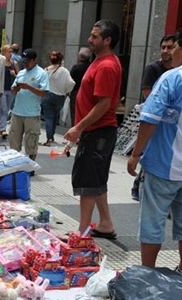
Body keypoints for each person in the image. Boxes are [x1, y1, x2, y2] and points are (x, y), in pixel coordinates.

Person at [126, 30, 182, 270]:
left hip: (164, 165)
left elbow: (149, 118)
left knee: (152, 223)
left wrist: (136, 154)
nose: (171, 54)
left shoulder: (172, 78)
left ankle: (147, 276)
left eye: (175, 48)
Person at [63, 19, 122, 238]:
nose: (90, 39)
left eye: (95, 36)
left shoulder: (107, 65)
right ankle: (105, 224)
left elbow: (104, 103)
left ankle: (83, 230)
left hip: (98, 132)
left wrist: (78, 127)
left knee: (88, 181)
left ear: (107, 40)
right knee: (97, 180)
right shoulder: (99, 61)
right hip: (97, 131)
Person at [130, 34, 176, 201]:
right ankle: (138, 186)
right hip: (154, 121)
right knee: (150, 155)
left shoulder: (176, 72)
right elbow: (149, 97)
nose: (165, 50)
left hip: (170, 127)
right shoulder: (154, 69)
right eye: (163, 47)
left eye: (169, 47)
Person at [9, 49, 49, 165]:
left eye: (27, 61)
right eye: (24, 61)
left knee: (31, 141)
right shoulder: (21, 72)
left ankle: (31, 166)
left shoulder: (41, 73)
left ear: (34, 60)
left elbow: (45, 93)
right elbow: (12, 90)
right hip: (17, 112)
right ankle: (14, 163)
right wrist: (16, 88)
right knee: (14, 140)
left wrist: (29, 87)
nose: (25, 64)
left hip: (32, 113)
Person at [41, 51, 75, 146]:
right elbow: (71, 83)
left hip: (47, 95)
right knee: (55, 117)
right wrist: (66, 90)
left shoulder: (45, 70)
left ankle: (49, 138)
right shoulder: (64, 71)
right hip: (60, 97)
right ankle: (52, 135)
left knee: (48, 117)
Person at [0, 44, 19, 138]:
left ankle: (3, 127)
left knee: (7, 109)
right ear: (3, 52)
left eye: (11, 51)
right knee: (3, 109)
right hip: (1, 89)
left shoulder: (14, 63)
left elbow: (19, 77)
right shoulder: (0, 63)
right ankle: (3, 129)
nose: (10, 53)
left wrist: (14, 74)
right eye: (8, 51)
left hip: (11, 89)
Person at [69, 47, 92, 127]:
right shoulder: (92, 66)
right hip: (89, 93)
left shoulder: (76, 67)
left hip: (76, 92)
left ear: (81, 56)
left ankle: (75, 130)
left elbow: (70, 81)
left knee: (74, 112)